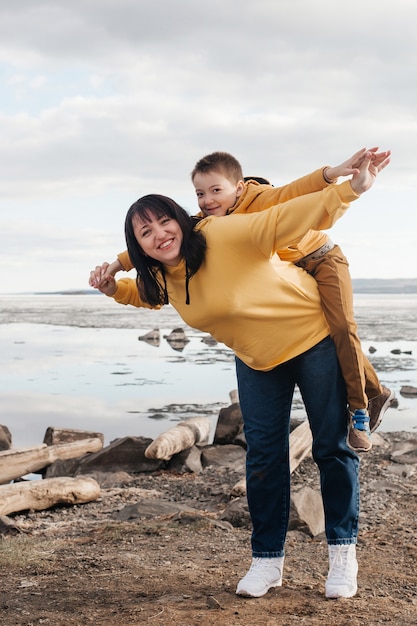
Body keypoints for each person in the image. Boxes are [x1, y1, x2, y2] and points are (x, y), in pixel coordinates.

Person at [90, 152, 390, 599]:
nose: (159, 235)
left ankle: (342, 554)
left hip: (313, 340)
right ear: (138, 245)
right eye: (145, 232)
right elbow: (146, 296)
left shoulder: (223, 233)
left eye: (163, 222)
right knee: (264, 459)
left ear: (181, 220)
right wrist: (114, 286)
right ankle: (267, 561)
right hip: (256, 359)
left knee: (331, 447)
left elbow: (286, 214)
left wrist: (348, 189)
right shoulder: (163, 274)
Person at [99, 148, 394, 453]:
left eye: (216, 190)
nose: (207, 200)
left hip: (321, 257)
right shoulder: (206, 223)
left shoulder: (256, 201)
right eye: (200, 193)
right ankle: (376, 390)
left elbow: (295, 193)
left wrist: (336, 177)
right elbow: (161, 239)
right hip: (289, 273)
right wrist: (119, 268)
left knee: (340, 325)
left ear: (238, 188)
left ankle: (361, 407)